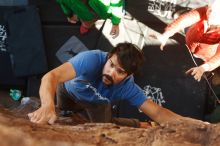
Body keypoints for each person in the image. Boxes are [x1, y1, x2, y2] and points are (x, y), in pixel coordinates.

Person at [28, 42, 184, 127]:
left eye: (120, 71)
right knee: (61, 119)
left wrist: (190, 125)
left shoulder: (128, 87)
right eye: (111, 64)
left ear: (128, 75)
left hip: (97, 103)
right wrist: (47, 105)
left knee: (107, 128)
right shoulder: (90, 58)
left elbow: (157, 112)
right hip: (68, 91)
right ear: (109, 56)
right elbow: (51, 76)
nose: (111, 73)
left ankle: (143, 125)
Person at [157, 0, 220, 85]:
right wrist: (167, 33)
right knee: (184, 24)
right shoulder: (205, 10)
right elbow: (185, 19)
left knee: (209, 63)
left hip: (207, 54)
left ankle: (210, 70)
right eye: (210, 9)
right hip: (190, 38)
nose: (208, 13)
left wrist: (204, 67)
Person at [57, 0, 123, 38]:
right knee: (87, 22)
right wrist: (69, 15)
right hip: (85, 14)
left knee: (114, 13)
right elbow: (63, 4)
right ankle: (86, 25)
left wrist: (116, 22)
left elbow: (117, 5)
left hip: (105, 11)